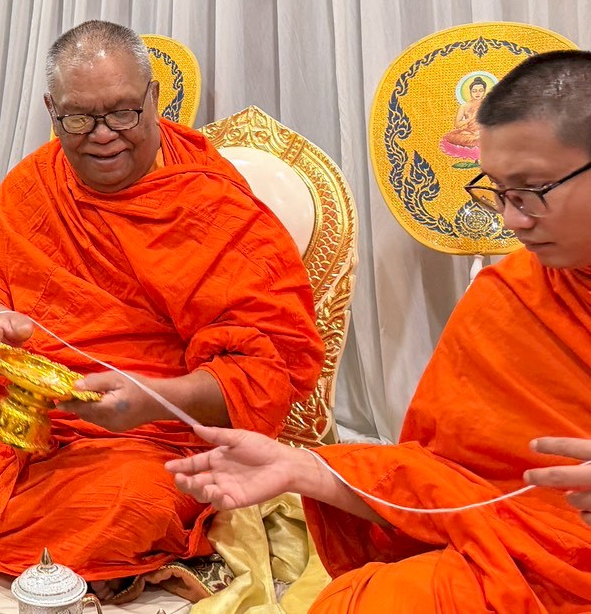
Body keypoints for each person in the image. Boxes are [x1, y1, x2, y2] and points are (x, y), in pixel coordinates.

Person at [0, 20, 324, 589]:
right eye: (79, 119)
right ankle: (18, 532)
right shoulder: (38, 181)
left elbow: (266, 369)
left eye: (123, 112)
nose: (103, 135)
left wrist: (152, 400)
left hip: (140, 432)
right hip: (9, 402)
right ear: (51, 110)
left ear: (153, 100)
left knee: (132, 508)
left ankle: (21, 528)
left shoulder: (211, 208)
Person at [168, 50, 591, 611]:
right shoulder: (511, 297)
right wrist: (304, 468)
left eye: (532, 190)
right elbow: (450, 486)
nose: (511, 220)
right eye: (499, 194)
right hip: (525, 557)